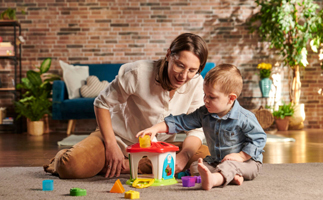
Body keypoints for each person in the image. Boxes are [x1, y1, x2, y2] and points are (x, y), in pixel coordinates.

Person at [43, 33, 211, 179]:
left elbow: (196, 128)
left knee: (204, 155)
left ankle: (126, 166)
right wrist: (111, 146)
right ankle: (118, 162)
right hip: (117, 139)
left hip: (158, 148)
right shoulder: (137, 72)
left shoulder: (196, 84)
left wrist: (183, 156)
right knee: (70, 166)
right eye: (180, 65)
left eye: (192, 70)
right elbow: (101, 103)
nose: (183, 75)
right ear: (168, 55)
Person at [136, 64, 267, 190]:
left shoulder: (245, 117)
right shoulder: (204, 113)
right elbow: (181, 121)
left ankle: (214, 180)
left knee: (230, 165)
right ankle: (231, 177)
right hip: (217, 161)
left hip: (247, 163)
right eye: (205, 94)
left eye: (212, 97)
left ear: (231, 98)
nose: (205, 100)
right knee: (196, 166)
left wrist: (241, 156)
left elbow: (259, 138)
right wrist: (155, 129)